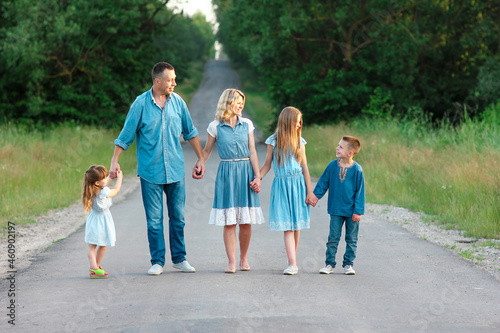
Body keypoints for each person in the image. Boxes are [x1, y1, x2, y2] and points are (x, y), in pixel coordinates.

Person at [110, 62, 205, 275]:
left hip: (175, 170)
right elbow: (125, 135)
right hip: (150, 172)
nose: (174, 83)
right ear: (157, 81)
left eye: (175, 79)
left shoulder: (178, 102)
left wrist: (201, 158)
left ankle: (180, 259)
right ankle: (157, 261)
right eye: (171, 79)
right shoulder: (140, 104)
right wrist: (114, 162)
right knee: (154, 220)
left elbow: (190, 132)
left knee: (178, 218)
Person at [200, 88, 265, 273]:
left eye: (242, 102)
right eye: (238, 101)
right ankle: (231, 262)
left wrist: (257, 177)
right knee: (230, 222)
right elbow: (206, 152)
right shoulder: (215, 126)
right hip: (227, 174)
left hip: (246, 172)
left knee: (245, 222)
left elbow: (253, 152)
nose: (241, 105)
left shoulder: (247, 124)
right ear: (228, 103)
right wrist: (199, 164)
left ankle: (243, 258)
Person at [258, 106, 318, 275]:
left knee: (296, 225)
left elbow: (304, 167)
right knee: (288, 227)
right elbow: (267, 164)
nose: (299, 125)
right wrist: (258, 178)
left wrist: (310, 191)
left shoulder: (300, 141)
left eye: (300, 122)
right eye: (297, 122)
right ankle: (293, 264)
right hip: (282, 186)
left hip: (298, 185)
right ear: (288, 122)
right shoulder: (273, 141)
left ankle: (292, 259)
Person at [313, 136, 365, 275]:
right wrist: (314, 197)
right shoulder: (332, 166)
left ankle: (348, 264)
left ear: (350, 153)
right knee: (333, 238)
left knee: (351, 239)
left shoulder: (357, 170)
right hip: (336, 209)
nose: (337, 148)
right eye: (338, 145)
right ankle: (329, 264)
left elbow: (360, 192)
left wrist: (358, 211)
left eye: (341, 147)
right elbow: (323, 183)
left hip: (351, 211)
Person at [82, 165, 123, 279]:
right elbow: (116, 190)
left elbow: (104, 186)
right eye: (104, 178)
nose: (106, 180)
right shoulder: (103, 191)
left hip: (95, 219)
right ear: (96, 182)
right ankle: (94, 268)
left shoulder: (92, 188)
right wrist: (120, 178)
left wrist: (110, 177)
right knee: (95, 245)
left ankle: (96, 266)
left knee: (96, 245)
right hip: (102, 220)